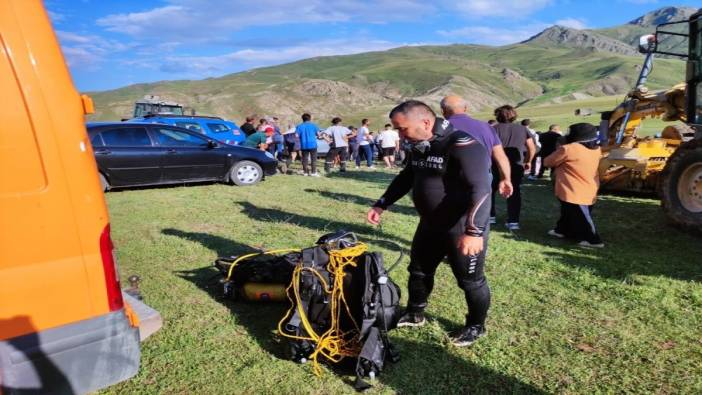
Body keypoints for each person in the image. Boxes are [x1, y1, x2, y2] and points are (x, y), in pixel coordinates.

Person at [367, 100, 492, 347]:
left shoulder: (461, 143)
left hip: (461, 227)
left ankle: (476, 326)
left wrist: (474, 231)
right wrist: (382, 203)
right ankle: (415, 313)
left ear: (425, 122)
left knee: (470, 280)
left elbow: (482, 189)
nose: (400, 134)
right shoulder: (421, 144)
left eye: (402, 129)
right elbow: (407, 177)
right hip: (430, 224)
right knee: (419, 271)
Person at [440, 95, 513, 202]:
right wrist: (506, 179)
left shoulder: (440, 128)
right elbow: (501, 156)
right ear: (465, 108)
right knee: (479, 213)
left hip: (449, 177)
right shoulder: (486, 127)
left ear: (443, 111)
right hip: (482, 176)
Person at [543, 123, 604, 248]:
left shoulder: (569, 148)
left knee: (581, 216)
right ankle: (562, 230)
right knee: (568, 211)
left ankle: (593, 240)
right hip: (589, 186)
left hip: (573, 188)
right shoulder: (596, 149)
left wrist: (560, 147)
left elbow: (547, 162)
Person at [490, 105, 536, 230]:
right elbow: (532, 148)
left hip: (496, 164)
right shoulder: (522, 129)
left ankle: (490, 216)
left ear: (497, 115)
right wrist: (528, 161)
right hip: (516, 164)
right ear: (514, 115)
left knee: (490, 190)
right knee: (514, 191)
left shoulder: (492, 129)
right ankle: (513, 221)